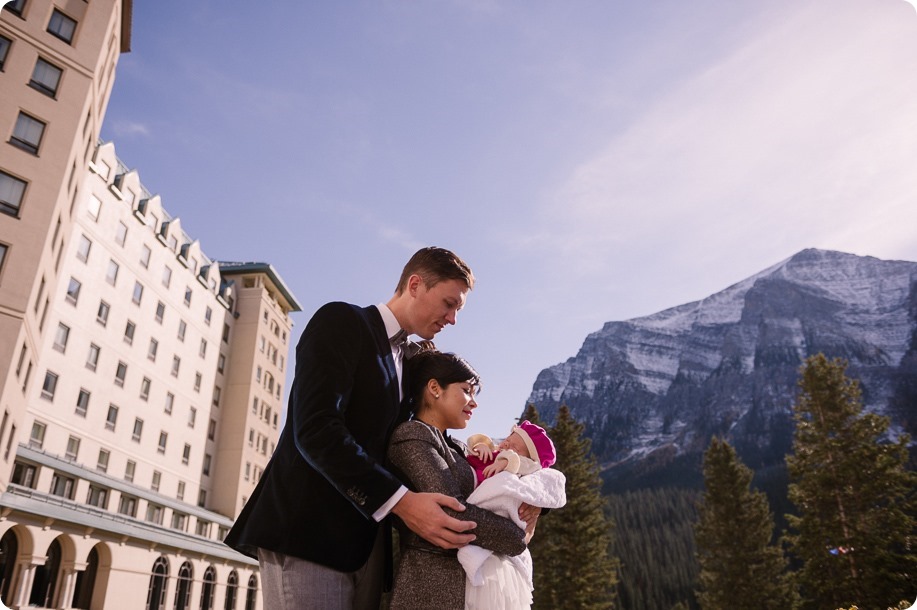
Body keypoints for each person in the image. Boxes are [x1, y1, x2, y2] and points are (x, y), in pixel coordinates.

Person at [224, 247, 479, 610]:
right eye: (448, 303)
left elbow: (422, 440)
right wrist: (402, 502)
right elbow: (316, 428)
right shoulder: (342, 321)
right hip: (309, 534)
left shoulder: (410, 363)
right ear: (416, 284)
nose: (452, 319)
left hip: (367, 547)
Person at [459, 421, 566, 609]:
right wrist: (482, 446)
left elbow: (530, 468)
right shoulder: (491, 456)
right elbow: (474, 449)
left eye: (515, 446)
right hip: (478, 530)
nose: (507, 445)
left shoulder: (516, 467)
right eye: (508, 440)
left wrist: (507, 459)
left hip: (499, 549)